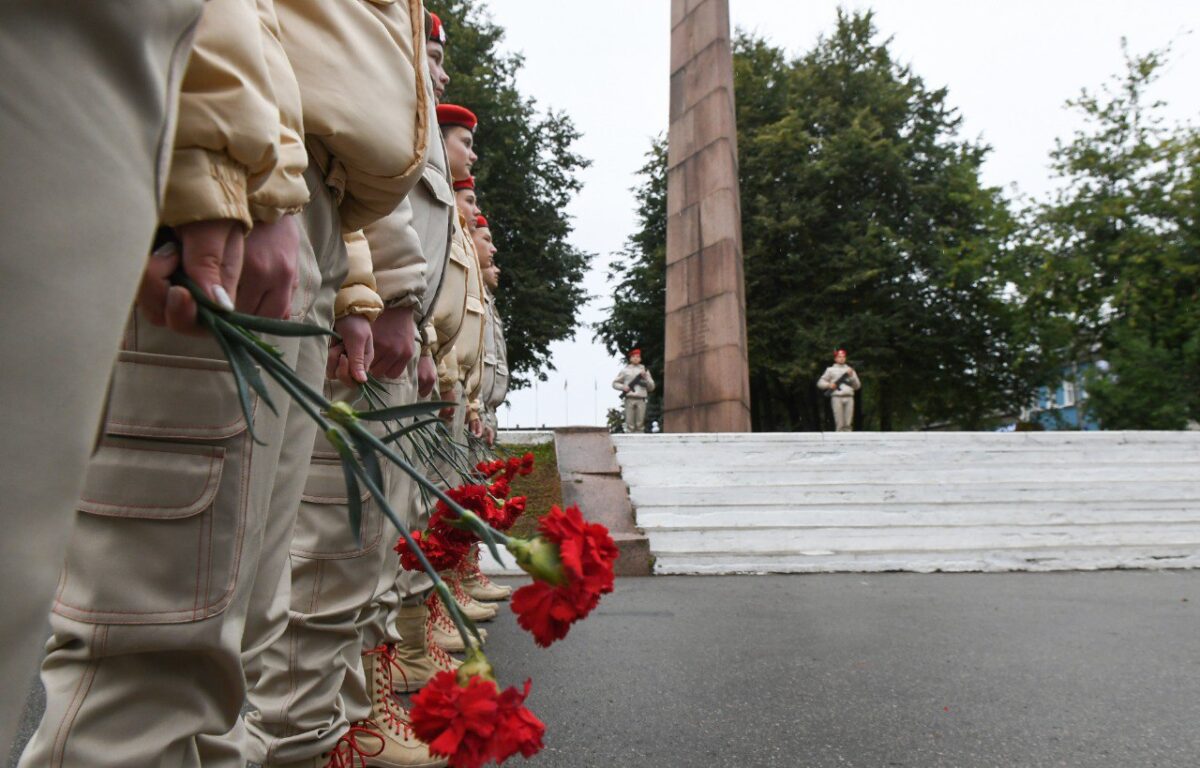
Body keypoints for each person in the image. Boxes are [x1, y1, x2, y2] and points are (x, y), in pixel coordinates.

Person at [0, 0, 205, 749]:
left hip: (153, 91)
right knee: (149, 632)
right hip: (84, 69)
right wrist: (213, 170)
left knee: (207, 640)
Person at [817, 348, 861, 432]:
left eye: (843, 357)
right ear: (835, 359)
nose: (841, 358)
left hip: (849, 397)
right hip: (837, 397)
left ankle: (849, 438)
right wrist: (829, 385)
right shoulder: (830, 370)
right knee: (839, 423)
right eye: (839, 357)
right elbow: (820, 383)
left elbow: (857, 386)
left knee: (848, 423)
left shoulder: (850, 370)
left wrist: (852, 376)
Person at [613, 348, 655, 433]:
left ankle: (640, 437)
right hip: (629, 398)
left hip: (641, 398)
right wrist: (623, 387)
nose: (636, 358)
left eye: (638, 357)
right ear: (630, 358)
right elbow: (614, 383)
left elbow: (652, 387)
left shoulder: (644, 371)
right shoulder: (625, 370)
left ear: (640, 359)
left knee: (640, 423)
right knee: (630, 423)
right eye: (634, 356)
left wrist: (646, 378)